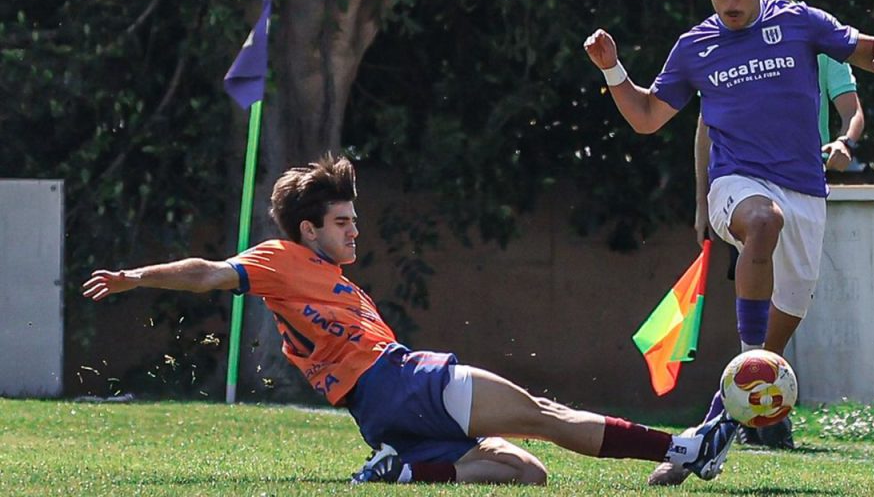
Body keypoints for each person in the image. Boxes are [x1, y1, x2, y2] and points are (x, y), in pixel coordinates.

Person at [82, 153, 737, 486]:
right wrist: (138, 277)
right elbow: (208, 272)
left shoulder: (334, 283)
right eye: (342, 222)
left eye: (354, 220)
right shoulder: (281, 258)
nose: (354, 231)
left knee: (526, 472)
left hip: (380, 416)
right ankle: (686, 449)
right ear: (308, 229)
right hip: (402, 382)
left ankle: (402, 470)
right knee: (544, 415)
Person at [583, 0, 874, 485]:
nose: (731, 2)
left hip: (806, 193)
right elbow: (647, 117)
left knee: (765, 365)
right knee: (762, 222)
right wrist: (613, 69)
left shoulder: (799, 22)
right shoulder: (695, 47)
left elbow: (866, 46)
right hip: (737, 185)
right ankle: (748, 349)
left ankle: (704, 444)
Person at [695, 0, 868, 451]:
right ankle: (751, 409)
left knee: (788, 305)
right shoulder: (723, 40)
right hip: (747, 186)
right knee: (759, 238)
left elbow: (852, 108)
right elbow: (705, 126)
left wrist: (845, 142)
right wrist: (702, 201)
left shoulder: (813, 32)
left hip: (802, 187)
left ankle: (753, 407)